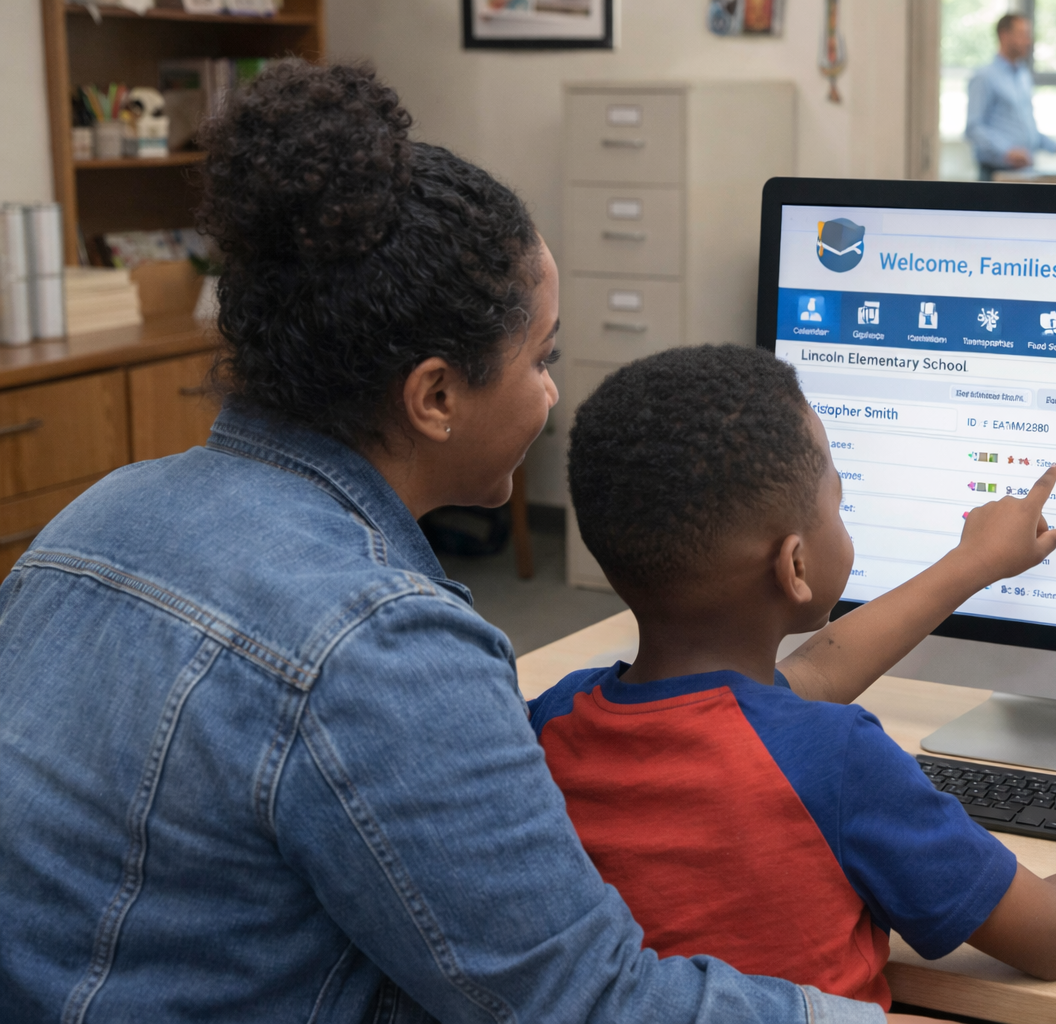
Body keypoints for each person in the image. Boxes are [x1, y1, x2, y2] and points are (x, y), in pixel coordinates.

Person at [0, 62, 929, 1024]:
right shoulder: (381, 644)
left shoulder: (102, 512)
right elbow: (586, 1003)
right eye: (544, 358)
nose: (553, 393)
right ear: (436, 397)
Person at [531, 346, 1056, 1009]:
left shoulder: (555, 723)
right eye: (838, 499)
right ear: (795, 566)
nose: (842, 512)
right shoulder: (837, 758)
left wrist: (973, 562)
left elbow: (807, 677)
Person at [965, 13, 1056, 179]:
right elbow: (974, 128)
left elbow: (1027, 129)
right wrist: (1007, 151)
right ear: (1004, 35)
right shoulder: (984, 77)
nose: (1028, 41)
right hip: (996, 175)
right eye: (1022, 35)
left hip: (1023, 174)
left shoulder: (1023, 76)